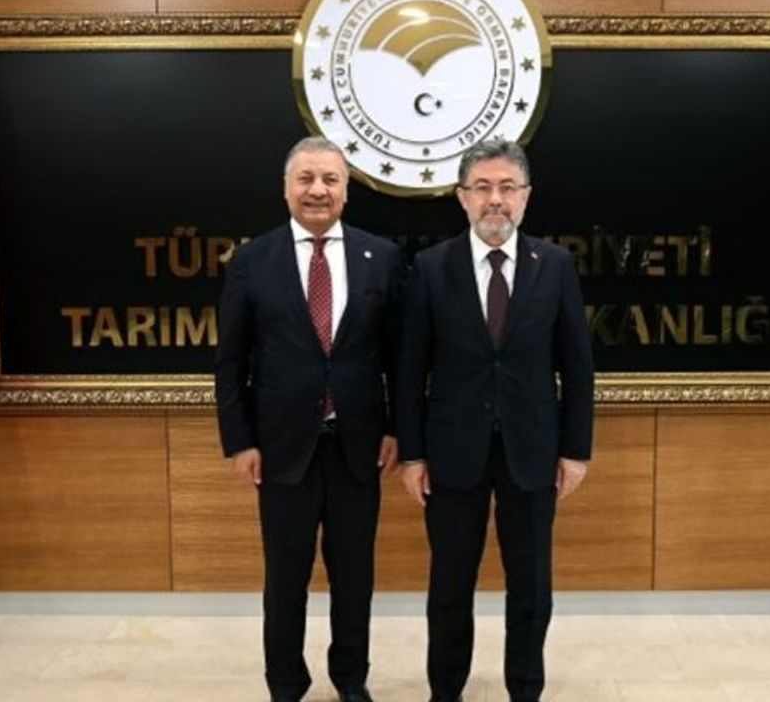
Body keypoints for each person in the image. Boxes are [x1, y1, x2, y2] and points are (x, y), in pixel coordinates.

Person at [395, 139, 594, 702]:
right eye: (482, 187)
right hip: (451, 453)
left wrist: (576, 450)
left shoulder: (554, 266)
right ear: (462, 197)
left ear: (526, 196)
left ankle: (525, 688)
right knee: (450, 586)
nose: (495, 199)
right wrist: (412, 453)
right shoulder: (431, 268)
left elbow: (577, 367)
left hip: (533, 452)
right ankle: (446, 690)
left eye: (508, 187)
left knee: (530, 586)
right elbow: (408, 371)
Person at [215, 136, 402, 702]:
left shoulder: (380, 257)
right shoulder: (253, 261)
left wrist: (396, 429)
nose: (317, 190)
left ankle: (351, 680)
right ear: (286, 188)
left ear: (346, 191)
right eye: (306, 179)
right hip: (280, 450)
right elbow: (231, 361)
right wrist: (240, 441)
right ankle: (286, 684)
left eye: (330, 179)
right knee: (285, 580)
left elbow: (399, 356)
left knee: (354, 578)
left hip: (357, 448)